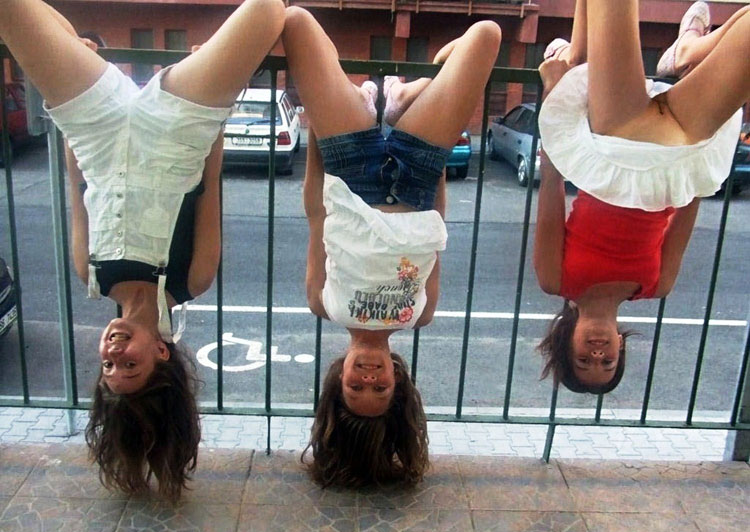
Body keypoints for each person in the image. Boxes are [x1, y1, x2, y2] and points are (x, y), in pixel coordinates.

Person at [0, 0, 285, 501]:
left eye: (108, 368)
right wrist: (219, 102)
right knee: (268, 11)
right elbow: (210, 184)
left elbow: (77, 186)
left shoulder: (90, 273)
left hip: (97, 129)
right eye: (129, 366)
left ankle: (70, 40)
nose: (113, 356)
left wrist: (70, 87)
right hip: (178, 130)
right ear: (161, 353)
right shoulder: (192, 278)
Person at [281, 7, 501, 486]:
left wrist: (318, 135)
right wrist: (436, 161)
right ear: (397, 381)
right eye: (378, 390)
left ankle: (379, 101)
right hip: (417, 171)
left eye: (355, 387)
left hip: (350, 166)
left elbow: (317, 216)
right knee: (486, 35)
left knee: (295, 22)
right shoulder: (421, 313)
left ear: (337, 380)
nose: (369, 378)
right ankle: (400, 99)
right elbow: (434, 229)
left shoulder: (323, 303)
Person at [534, 0, 746, 394]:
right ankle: (687, 51)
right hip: (683, 141)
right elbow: (691, 202)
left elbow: (551, 183)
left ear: (566, 343)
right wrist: (707, 144)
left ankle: (678, 52)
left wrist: (556, 93)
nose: (598, 353)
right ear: (621, 347)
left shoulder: (555, 279)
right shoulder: (656, 285)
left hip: (618, 137)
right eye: (608, 361)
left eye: (584, 360)